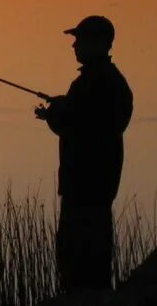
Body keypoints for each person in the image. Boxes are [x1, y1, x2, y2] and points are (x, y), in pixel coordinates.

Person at [34, 15, 134, 291]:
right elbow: (88, 118)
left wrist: (55, 114)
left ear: (98, 43)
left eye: (80, 39)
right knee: (92, 251)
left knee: (78, 252)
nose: (75, 45)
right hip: (97, 182)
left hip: (85, 183)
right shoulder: (107, 81)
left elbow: (79, 126)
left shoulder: (95, 82)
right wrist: (62, 108)